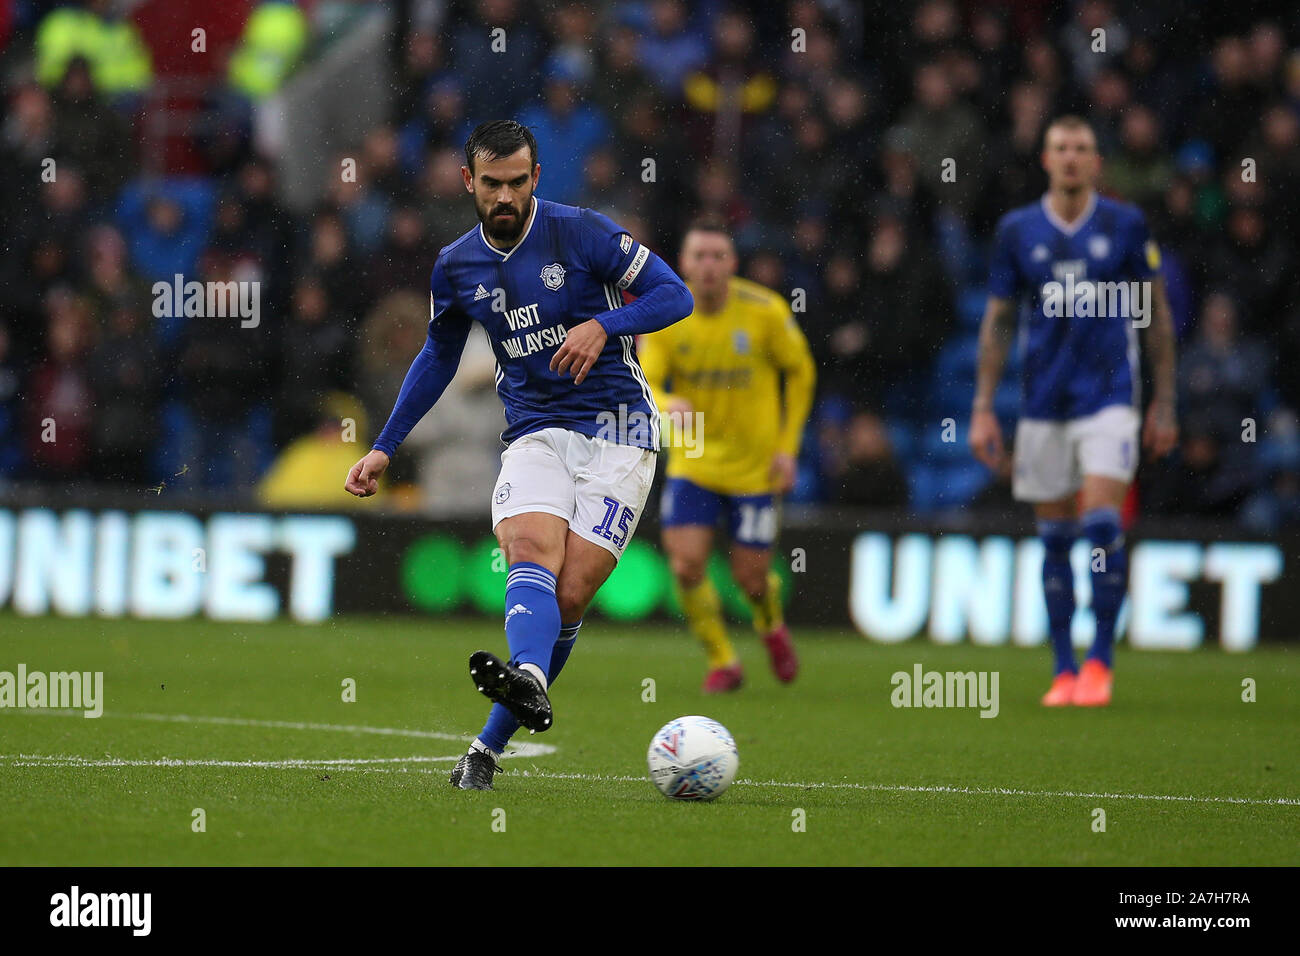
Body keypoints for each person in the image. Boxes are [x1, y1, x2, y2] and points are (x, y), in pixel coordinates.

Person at [344, 120, 693, 789]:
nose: (505, 196)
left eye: (517, 182)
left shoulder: (582, 231)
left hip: (621, 432)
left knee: (572, 592)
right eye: (492, 183)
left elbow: (676, 294)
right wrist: (386, 446)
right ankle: (529, 676)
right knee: (531, 548)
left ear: (534, 178)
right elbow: (438, 354)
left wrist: (603, 323)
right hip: (535, 429)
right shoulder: (456, 265)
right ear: (469, 182)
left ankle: (485, 747)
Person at [968, 115, 1178, 708]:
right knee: (1055, 536)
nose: (1070, 158)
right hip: (1042, 405)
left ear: (1095, 163)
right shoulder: (1017, 230)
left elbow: (1155, 316)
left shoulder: (1125, 224)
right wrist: (983, 407)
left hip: (1109, 398)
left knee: (1102, 523)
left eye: (1081, 148)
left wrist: (1166, 400)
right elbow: (999, 321)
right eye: (1060, 147)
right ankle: (1063, 669)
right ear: (1044, 158)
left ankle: (1101, 661)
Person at [639, 219, 814, 692]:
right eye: (700, 256)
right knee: (685, 565)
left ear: (733, 263)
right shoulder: (667, 314)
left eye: (719, 256)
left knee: (752, 579)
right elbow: (644, 378)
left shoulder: (765, 311)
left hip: (754, 465)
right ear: (684, 263)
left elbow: (800, 372)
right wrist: (662, 400)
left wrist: (787, 447)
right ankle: (723, 660)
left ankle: (771, 627)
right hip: (694, 456)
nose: (710, 265)